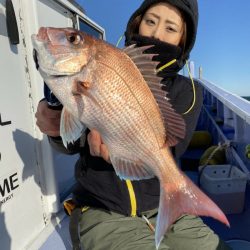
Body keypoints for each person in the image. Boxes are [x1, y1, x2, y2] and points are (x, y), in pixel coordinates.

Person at [36, 0, 232, 249]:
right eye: (151, 21)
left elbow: (173, 148)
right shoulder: (107, 63)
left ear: (183, 40)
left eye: (170, 28)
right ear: (138, 22)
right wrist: (55, 125)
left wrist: (131, 152)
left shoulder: (187, 90)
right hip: (103, 209)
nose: (156, 33)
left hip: (162, 205)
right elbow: (71, 142)